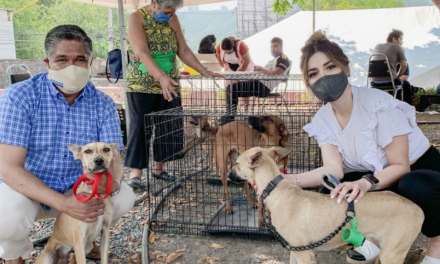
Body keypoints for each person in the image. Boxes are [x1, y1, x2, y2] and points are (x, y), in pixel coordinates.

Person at [281, 31, 440, 264]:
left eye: (330, 67)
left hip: (419, 171)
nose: (323, 77)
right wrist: (285, 180)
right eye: (314, 73)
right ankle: (373, 237)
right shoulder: (323, 119)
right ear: (309, 83)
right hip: (376, 174)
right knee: (332, 191)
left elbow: (400, 166)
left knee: (412, 186)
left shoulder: (377, 105)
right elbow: (333, 170)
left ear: (345, 69)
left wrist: (365, 183)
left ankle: (437, 241)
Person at [0, 25, 136, 264]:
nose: (72, 67)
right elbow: (9, 168)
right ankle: (14, 255)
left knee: (123, 197)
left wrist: (109, 185)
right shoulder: (19, 97)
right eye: (62, 59)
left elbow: (113, 159)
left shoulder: (102, 103)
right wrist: (65, 204)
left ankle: (86, 240)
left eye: (80, 59)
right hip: (30, 189)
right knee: (7, 213)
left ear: (91, 62)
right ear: (47, 62)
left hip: (80, 188)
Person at [125, 0, 222, 188]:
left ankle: (159, 169)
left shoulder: (173, 19)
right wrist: (161, 78)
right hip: (141, 84)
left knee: (169, 125)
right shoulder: (136, 18)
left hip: (171, 82)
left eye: (172, 12)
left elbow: (183, 50)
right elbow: (141, 52)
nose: (169, 16)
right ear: (154, 3)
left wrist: (202, 70)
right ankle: (135, 174)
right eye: (166, 11)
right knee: (140, 127)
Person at [221, 37, 291, 125]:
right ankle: (229, 117)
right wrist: (257, 71)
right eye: (271, 47)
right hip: (258, 83)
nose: (273, 49)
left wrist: (261, 69)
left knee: (232, 89)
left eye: (275, 46)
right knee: (231, 88)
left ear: (281, 47)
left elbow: (276, 73)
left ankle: (229, 119)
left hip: (263, 87)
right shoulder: (275, 60)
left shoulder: (283, 59)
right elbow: (269, 72)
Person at [372, 29, 412, 105]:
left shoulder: (377, 46)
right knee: (405, 84)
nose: (401, 42)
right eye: (401, 39)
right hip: (390, 81)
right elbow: (404, 65)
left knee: (395, 82)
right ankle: (407, 109)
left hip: (374, 81)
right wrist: (398, 76)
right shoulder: (397, 47)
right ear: (394, 39)